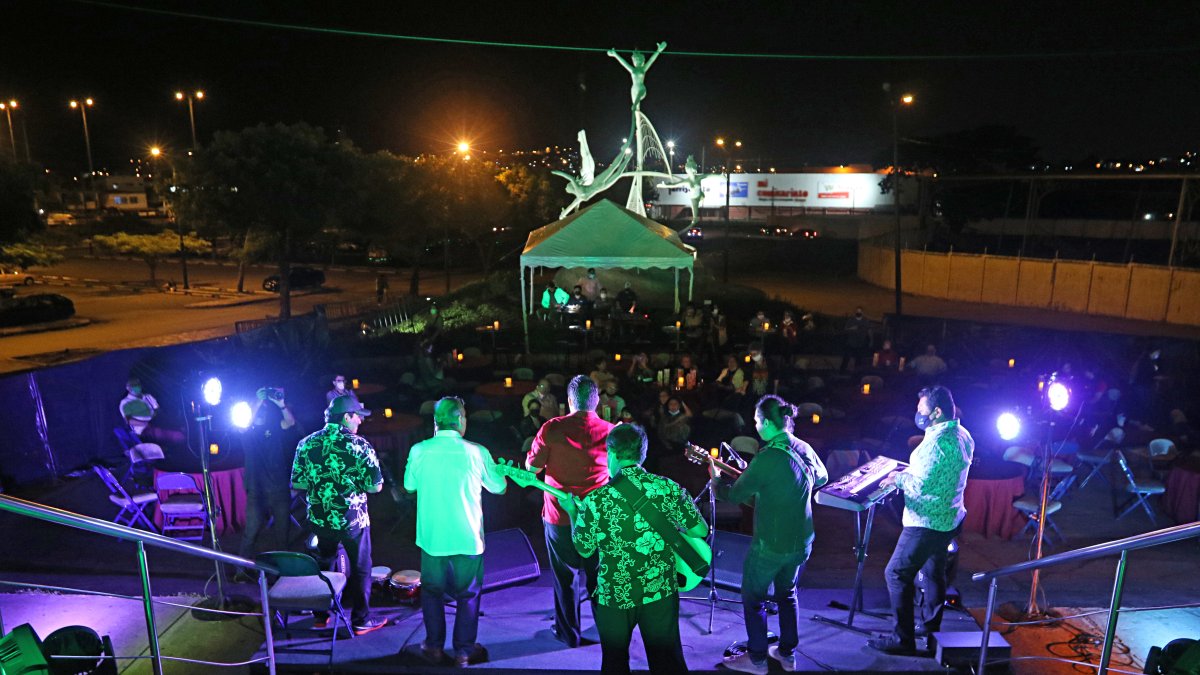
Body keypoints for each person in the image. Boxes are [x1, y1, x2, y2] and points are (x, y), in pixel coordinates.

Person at [566, 423, 707, 674]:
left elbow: (584, 550)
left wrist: (572, 513)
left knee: (614, 662)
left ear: (610, 454)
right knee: (666, 661)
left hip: (615, 593)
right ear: (642, 454)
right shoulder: (667, 488)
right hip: (659, 589)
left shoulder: (596, 500)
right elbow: (700, 530)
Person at [710, 395, 828, 674]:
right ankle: (787, 654)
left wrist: (716, 480)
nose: (754, 425)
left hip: (771, 545)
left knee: (754, 597)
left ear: (766, 422)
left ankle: (758, 658)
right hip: (803, 540)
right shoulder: (803, 447)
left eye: (756, 421)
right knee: (787, 593)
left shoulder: (767, 456)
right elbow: (821, 477)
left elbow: (734, 493)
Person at [869, 386, 973, 656]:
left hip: (925, 522)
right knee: (934, 573)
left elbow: (921, 486)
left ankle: (902, 639)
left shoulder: (937, 444)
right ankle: (929, 626)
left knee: (896, 573)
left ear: (937, 412)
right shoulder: (962, 434)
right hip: (950, 518)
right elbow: (939, 476)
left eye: (921, 409)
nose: (917, 413)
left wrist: (897, 478)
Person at [404, 397, 507, 666]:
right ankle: (464, 650)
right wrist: (500, 471)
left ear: (435, 422)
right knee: (469, 593)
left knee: (432, 592)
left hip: (432, 538)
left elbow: (408, 485)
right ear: (461, 419)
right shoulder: (476, 452)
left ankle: (434, 647)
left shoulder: (419, 450)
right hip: (467, 537)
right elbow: (499, 487)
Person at [526, 375, 614, 647]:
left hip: (559, 516)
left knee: (565, 576)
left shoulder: (551, 429)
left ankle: (569, 634)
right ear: (596, 401)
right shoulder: (612, 431)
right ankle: (608, 632)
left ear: (569, 401)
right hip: (597, 518)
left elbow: (532, 468)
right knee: (599, 577)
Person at [290, 395, 387, 635]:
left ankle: (321, 616)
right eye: (357, 417)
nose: (360, 422)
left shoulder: (306, 443)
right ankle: (361, 620)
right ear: (346, 417)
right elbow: (376, 486)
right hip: (353, 519)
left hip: (321, 518)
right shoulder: (359, 445)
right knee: (361, 566)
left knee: (324, 565)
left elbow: (297, 483)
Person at [237, 386, 298, 569]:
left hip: (279, 488)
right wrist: (258, 402)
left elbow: (291, 422)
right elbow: (245, 423)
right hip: (257, 490)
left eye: (264, 410)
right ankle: (242, 570)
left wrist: (280, 404)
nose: (262, 412)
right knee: (251, 532)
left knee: (282, 534)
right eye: (260, 410)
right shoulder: (247, 431)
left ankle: (284, 571)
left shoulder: (275, 427)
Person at [119, 377, 186, 448]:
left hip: (156, 422)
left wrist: (156, 417)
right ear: (128, 388)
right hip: (142, 429)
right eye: (133, 385)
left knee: (180, 429)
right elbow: (129, 421)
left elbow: (157, 409)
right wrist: (145, 423)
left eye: (138, 384)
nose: (137, 387)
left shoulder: (148, 397)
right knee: (173, 435)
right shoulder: (125, 402)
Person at [607, 42, 668, 109]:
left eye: (638, 59)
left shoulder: (643, 69)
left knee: (635, 105)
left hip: (641, 89)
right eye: (635, 60)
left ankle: (635, 105)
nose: (636, 61)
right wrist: (615, 54)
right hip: (634, 89)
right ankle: (636, 118)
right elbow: (623, 62)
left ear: (642, 61)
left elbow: (651, 60)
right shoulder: (633, 69)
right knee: (635, 110)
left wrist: (658, 51)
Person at [840, 306, 871, 373]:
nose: (858, 312)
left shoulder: (865, 321)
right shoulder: (851, 320)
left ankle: (856, 373)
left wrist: (871, 340)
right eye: (857, 311)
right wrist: (852, 328)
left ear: (862, 312)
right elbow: (845, 329)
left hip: (860, 343)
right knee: (846, 358)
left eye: (860, 311)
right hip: (851, 343)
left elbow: (869, 330)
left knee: (859, 360)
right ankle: (842, 372)